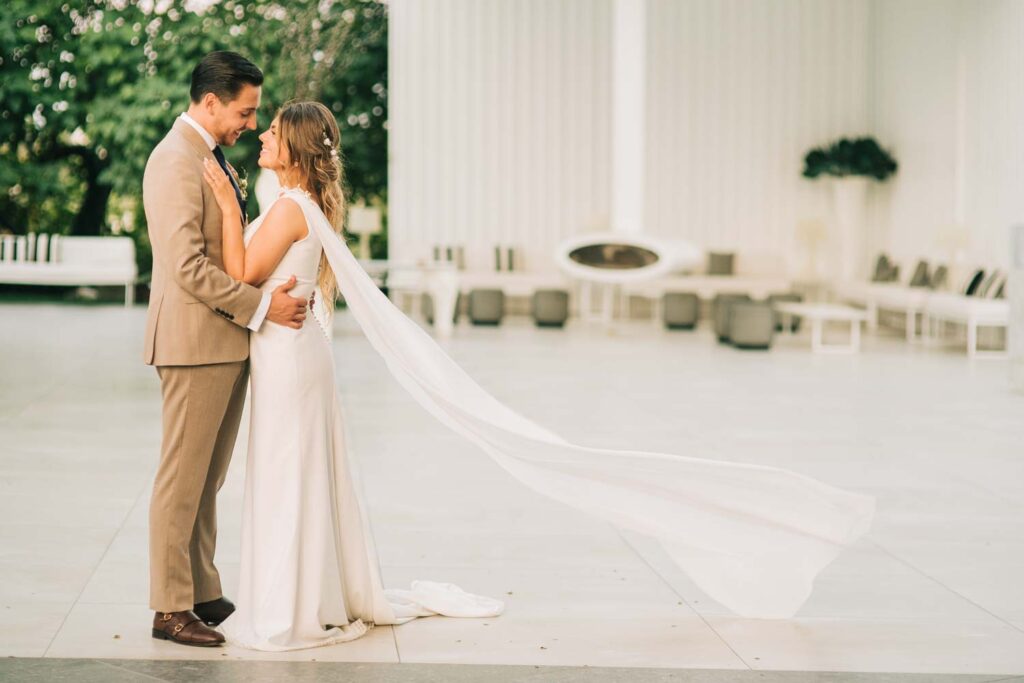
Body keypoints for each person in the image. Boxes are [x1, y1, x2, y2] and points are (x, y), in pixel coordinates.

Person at [202, 97, 875, 652]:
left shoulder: (290, 204)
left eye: (270, 132)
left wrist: (228, 207)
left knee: (288, 471)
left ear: (291, 147)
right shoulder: (301, 200)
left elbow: (241, 274)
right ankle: (299, 592)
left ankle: (289, 602)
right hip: (295, 349)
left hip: (290, 356)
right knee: (294, 472)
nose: (259, 135)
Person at [142, 51, 308, 647]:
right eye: (245, 111)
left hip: (224, 341)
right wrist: (262, 307)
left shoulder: (210, 157)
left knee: (207, 479)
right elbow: (186, 266)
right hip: (192, 342)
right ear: (210, 101)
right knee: (180, 481)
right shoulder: (173, 161)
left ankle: (201, 588)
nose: (248, 123)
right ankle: (168, 608)